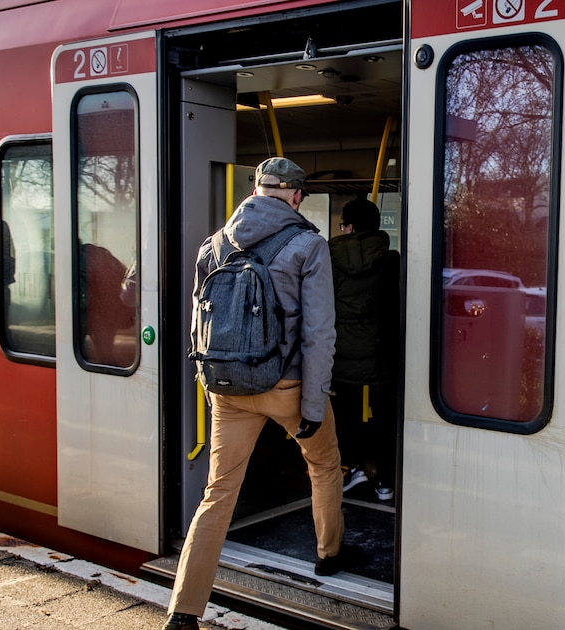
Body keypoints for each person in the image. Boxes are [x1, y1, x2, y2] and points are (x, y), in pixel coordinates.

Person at [164, 158, 359, 630]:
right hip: (287, 385)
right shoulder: (308, 245)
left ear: (256, 191)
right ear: (295, 195)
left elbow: (199, 324)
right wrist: (312, 406)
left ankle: (184, 611)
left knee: (219, 492)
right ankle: (327, 553)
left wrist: (213, 388)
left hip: (228, 391)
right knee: (324, 464)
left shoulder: (213, 244)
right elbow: (319, 333)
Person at [329, 198, 400, 501]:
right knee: (385, 419)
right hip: (383, 356)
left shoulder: (328, 260)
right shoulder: (392, 260)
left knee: (345, 417)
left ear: (350, 226)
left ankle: (354, 468)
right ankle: (385, 480)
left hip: (341, 358)